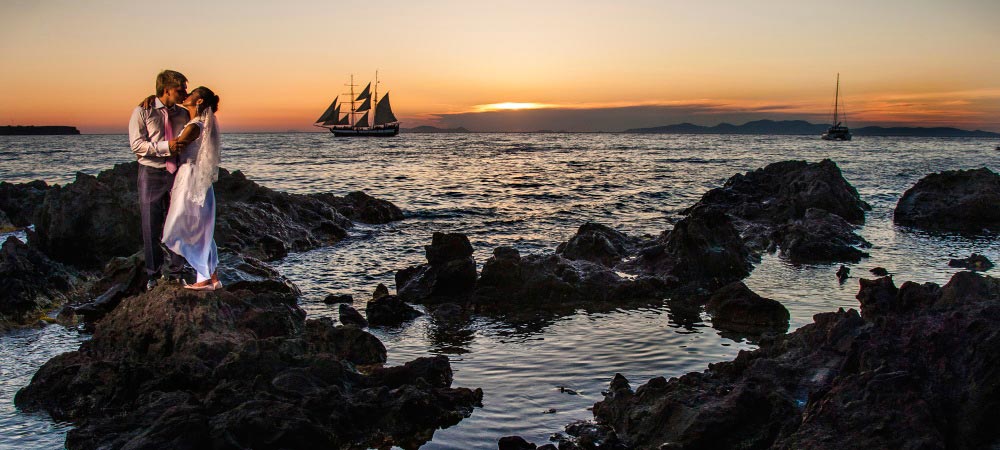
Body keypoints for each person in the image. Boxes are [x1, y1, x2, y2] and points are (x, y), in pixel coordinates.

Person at [128, 70, 190, 290]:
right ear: (167, 89)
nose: (185, 92)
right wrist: (167, 147)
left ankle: (177, 272)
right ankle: (153, 275)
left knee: (177, 223)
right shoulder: (143, 112)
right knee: (150, 225)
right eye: (181, 87)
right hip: (151, 173)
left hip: (178, 174)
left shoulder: (184, 113)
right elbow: (136, 145)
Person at [161, 86, 223, 291]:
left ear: (198, 101)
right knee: (202, 227)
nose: (187, 96)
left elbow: (177, 146)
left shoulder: (195, 125)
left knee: (181, 225)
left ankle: (205, 276)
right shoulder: (203, 122)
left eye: (192, 94)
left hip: (190, 176)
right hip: (199, 177)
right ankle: (211, 277)